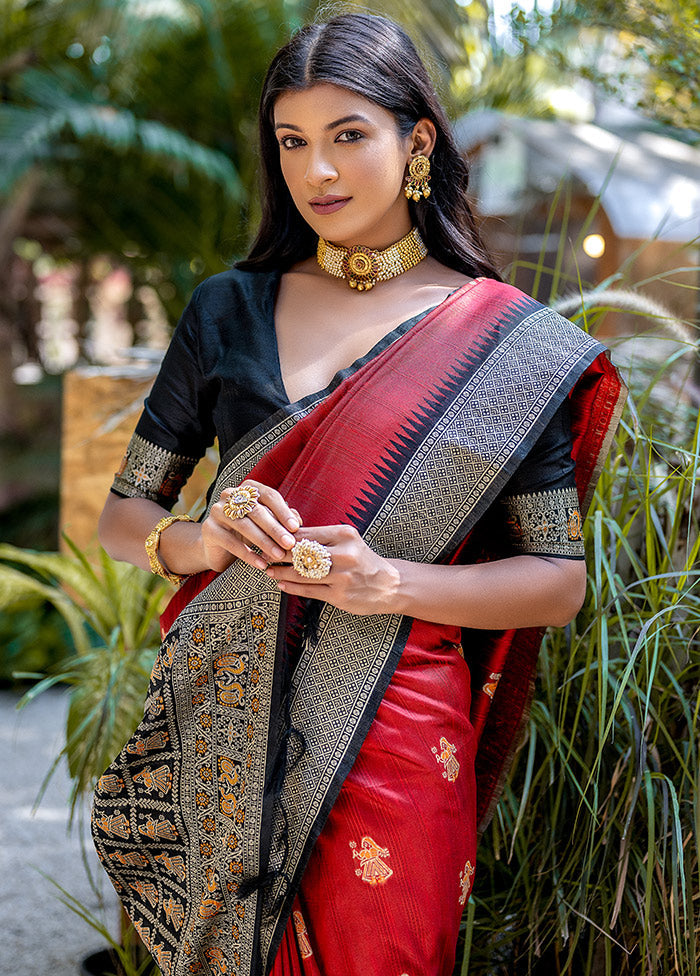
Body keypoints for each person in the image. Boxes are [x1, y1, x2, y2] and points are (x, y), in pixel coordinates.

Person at [91, 13, 625, 976]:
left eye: (348, 135)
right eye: (292, 142)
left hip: (398, 724)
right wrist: (201, 541)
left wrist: (389, 582)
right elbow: (121, 517)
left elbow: (556, 579)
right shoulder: (230, 307)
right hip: (221, 721)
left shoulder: (506, 344)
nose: (317, 172)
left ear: (416, 141)